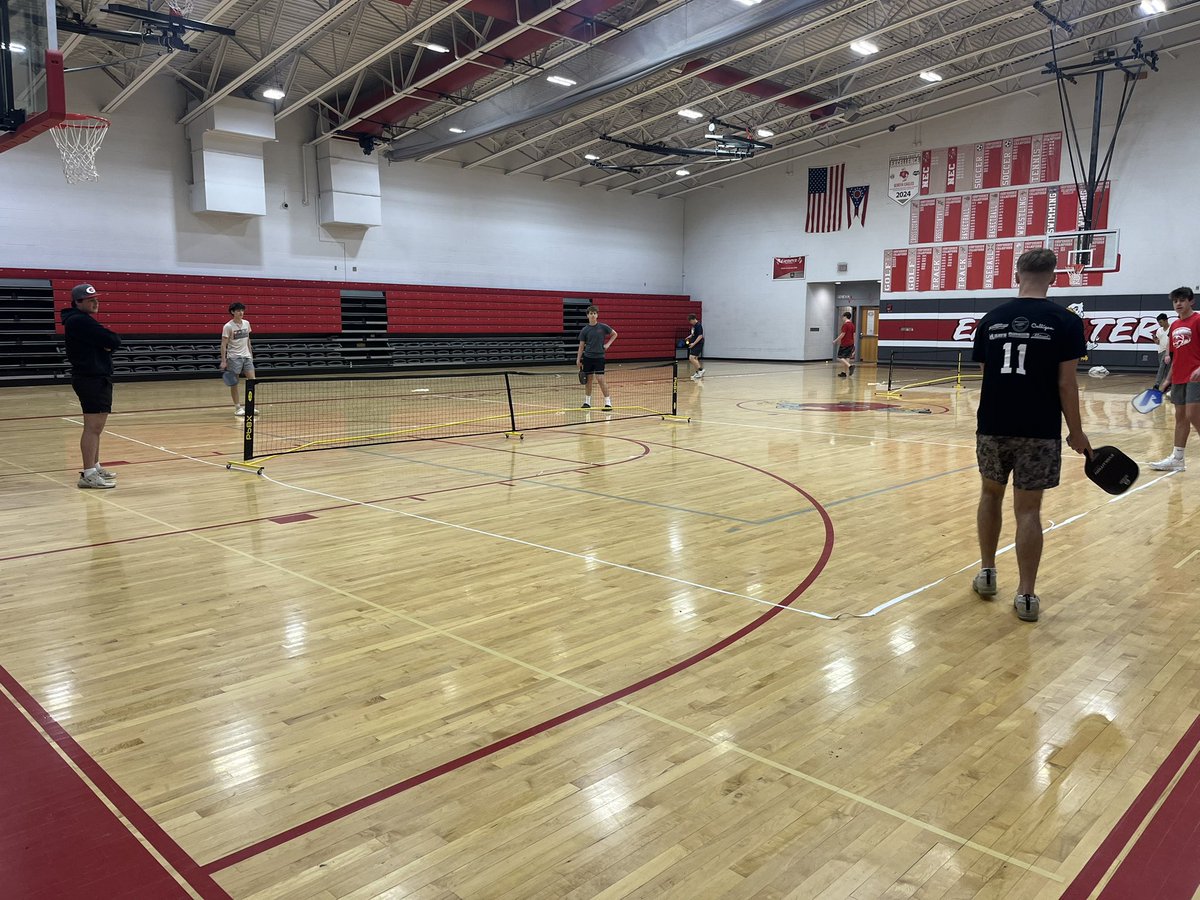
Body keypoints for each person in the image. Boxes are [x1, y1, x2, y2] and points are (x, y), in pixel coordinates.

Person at [970, 248, 1090, 623]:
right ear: (1054, 277)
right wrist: (1077, 433)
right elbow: (1066, 384)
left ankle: (988, 573)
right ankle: (1026, 595)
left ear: (1015, 274)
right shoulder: (1066, 322)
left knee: (990, 495)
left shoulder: (991, 320)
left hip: (992, 424)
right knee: (1029, 510)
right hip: (1039, 430)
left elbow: (988, 374)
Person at [61, 283, 123, 490]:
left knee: (96, 428)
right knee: (92, 428)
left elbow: (109, 342)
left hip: (95, 377)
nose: (96, 302)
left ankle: (94, 467)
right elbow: (113, 339)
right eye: (90, 300)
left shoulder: (82, 321)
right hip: (90, 378)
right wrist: (106, 345)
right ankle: (88, 474)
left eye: (96, 298)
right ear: (78, 302)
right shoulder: (80, 321)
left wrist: (105, 345)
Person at [1150, 287, 1200, 472]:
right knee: (1180, 418)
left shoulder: (1198, 320)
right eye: (1175, 301)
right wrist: (1166, 380)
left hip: (1196, 376)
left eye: (1182, 300)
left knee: (1193, 414)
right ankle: (1178, 459)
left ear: (1191, 302)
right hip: (1178, 376)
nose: (1178, 303)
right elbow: (1176, 355)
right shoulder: (1175, 327)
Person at [577, 305, 617, 410]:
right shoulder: (585, 330)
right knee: (589, 380)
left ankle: (608, 403)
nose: (593, 315)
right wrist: (578, 359)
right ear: (587, 316)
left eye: (595, 313)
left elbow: (614, 334)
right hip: (588, 358)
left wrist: (608, 345)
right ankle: (587, 402)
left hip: (599, 357)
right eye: (591, 313)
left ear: (597, 315)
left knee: (600, 379)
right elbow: (581, 346)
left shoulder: (603, 327)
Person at [220, 302, 255, 416]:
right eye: (239, 310)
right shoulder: (228, 326)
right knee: (234, 383)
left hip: (246, 357)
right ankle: (238, 407)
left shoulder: (247, 323)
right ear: (232, 312)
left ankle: (250, 406)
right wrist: (224, 360)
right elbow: (223, 344)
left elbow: (248, 340)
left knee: (252, 381)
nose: (241, 312)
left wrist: (250, 354)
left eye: (242, 310)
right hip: (234, 358)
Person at [1152, 312, 1172, 392]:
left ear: (1166, 320)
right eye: (1159, 322)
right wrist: (1155, 339)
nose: (1159, 324)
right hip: (1160, 351)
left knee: (1162, 367)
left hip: (1168, 351)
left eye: (1161, 322)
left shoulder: (1171, 328)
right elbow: (1158, 342)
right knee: (1166, 370)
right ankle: (1168, 385)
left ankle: (1157, 384)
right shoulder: (1159, 330)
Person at [834, 310, 855, 376]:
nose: (842, 318)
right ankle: (844, 372)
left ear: (845, 317)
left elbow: (843, 334)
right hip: (851, 343)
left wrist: (835, 340)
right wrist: (854, 343)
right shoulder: (852, 325)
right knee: (847, 358)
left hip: (845, 344)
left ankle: (850, 366)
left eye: (843, 317)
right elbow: (854, 335)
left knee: (839, 357)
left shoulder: (845, 325)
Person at [685, 313, 705, 380]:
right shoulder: (694, 326)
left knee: (691, 358)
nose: (690, 323)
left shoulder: (698, 325)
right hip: (695, 344)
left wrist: (693, 344)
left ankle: (701, 370)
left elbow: (700, 336)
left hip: (698, 344)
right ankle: (697, 373)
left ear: (693, 319)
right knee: (695, 358)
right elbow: (694, 334)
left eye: (690, 321)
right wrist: (689, 336)